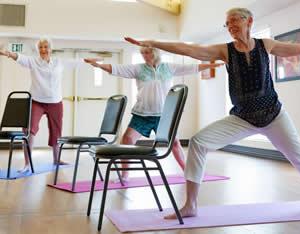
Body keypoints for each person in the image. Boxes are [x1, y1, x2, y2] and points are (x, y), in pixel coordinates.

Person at [124, 7, 300, 218]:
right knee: (198, 142)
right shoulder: (225, 50)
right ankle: (190, 205)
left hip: (274, 115)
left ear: (248, 21)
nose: (230, 26)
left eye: (234, 21)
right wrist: (153, 42)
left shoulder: (266, 45)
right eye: (227, 23)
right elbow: (189, 49)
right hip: (242, 118)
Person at [85, 47, 223, 182]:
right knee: (127, 140)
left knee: (174, 143)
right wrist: (97, 65)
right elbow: (116, 69)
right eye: (143, 53)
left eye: (148, 52)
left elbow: (191, 68)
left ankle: (187, 171)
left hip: (163, 116)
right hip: (142, 114)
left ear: (155, 52)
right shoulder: (138, 69)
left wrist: (213, 64)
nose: (145, 55)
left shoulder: (168, 68)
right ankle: (125, 174)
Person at [0, 38, 87, 172]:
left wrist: (94, 62)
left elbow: (76, 62)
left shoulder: (59, 62)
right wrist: (8, 53)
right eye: (40, 47)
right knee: (29, 131)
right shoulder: (33, 61)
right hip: (36, 101)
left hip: (55, 102)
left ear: (50, 49)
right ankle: (27, 164)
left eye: (46, 47)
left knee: (56, 132)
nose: (43, 50)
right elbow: (19, 57)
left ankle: (57, 159)